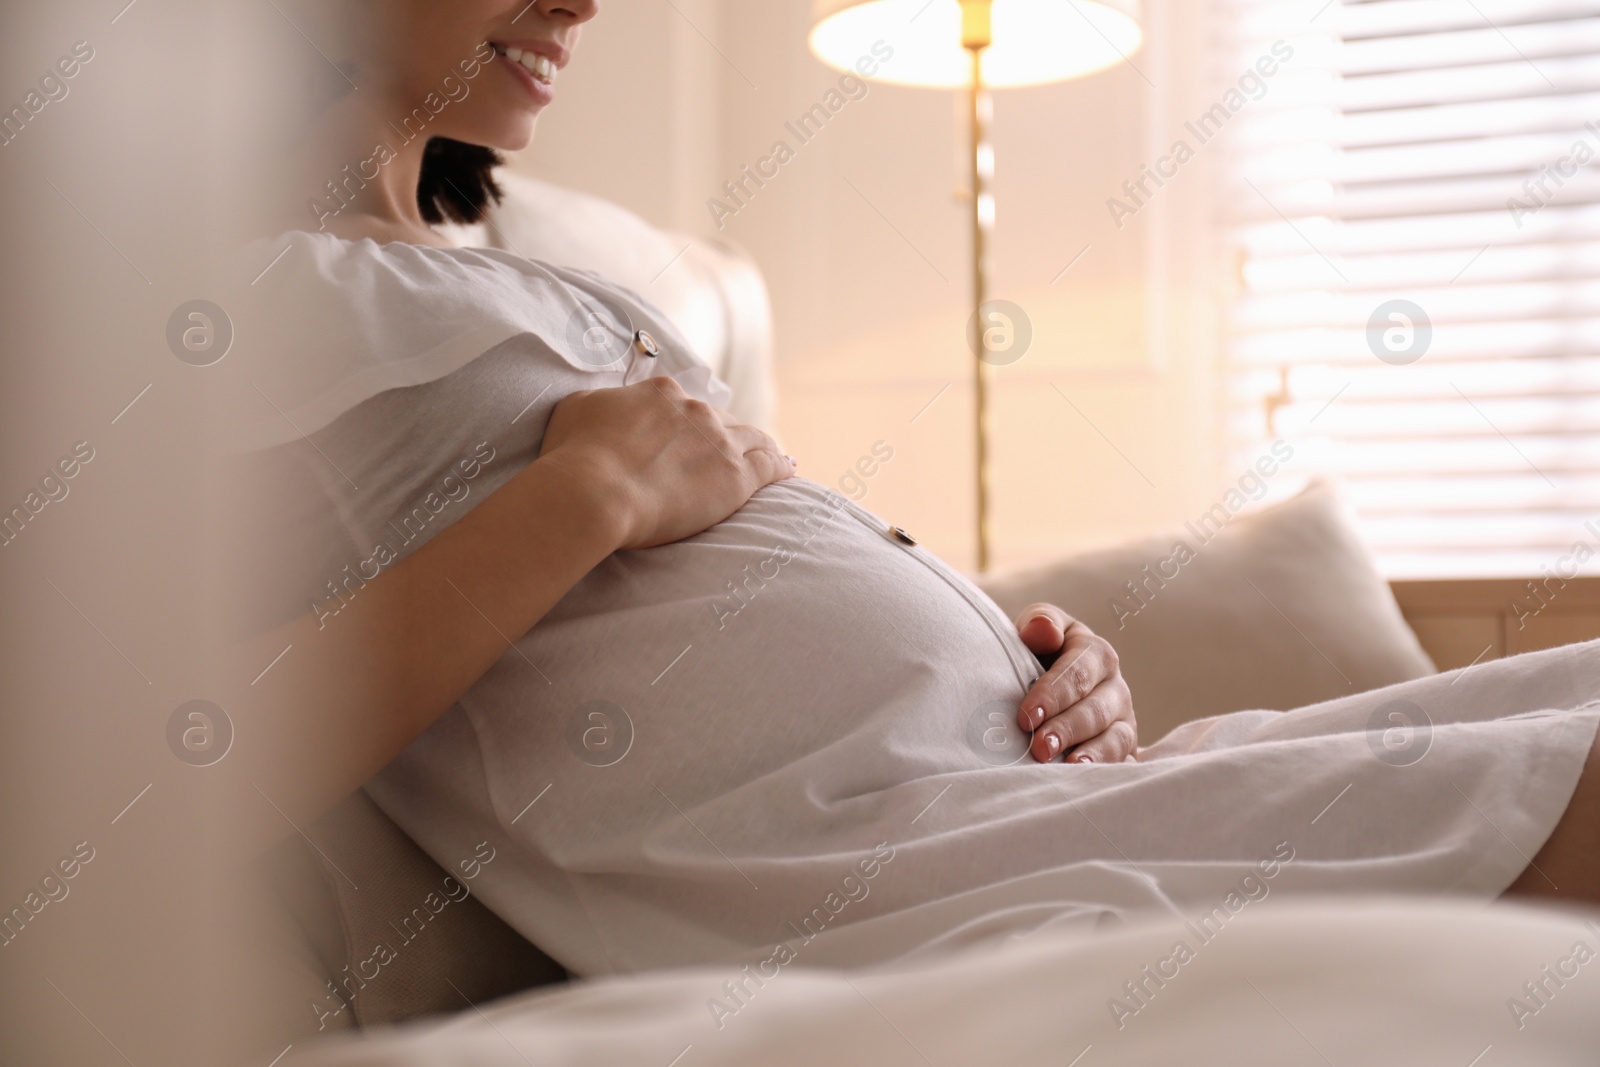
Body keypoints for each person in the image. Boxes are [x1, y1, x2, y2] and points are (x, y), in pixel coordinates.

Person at [232, 0, 1600, 980]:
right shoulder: (206, 299)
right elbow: (184, 748)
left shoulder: (501, 265)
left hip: (1035, 788)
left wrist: (1040, 663)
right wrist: (585, 494)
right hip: (922, 867)